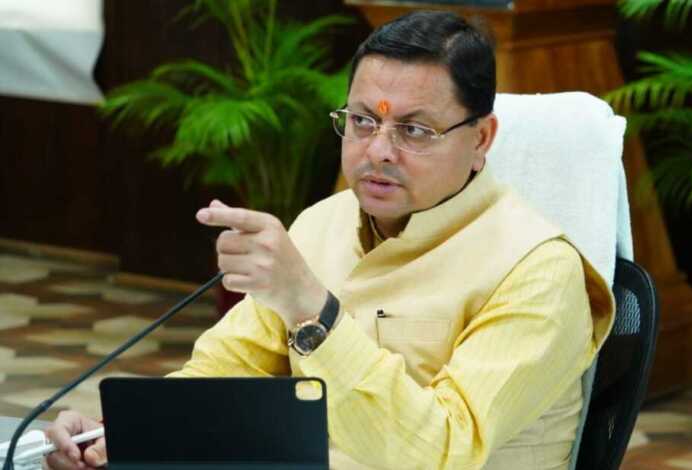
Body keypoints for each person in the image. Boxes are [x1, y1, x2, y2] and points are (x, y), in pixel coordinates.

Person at [44, 10, 614, 470]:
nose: (378, 151)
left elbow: (443, 452)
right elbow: (230, 367)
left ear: (481, 140)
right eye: (363, 121)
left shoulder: (539, 271)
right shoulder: (324, 223)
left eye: (414, 130)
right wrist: (117, 434)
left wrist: (315, 313)